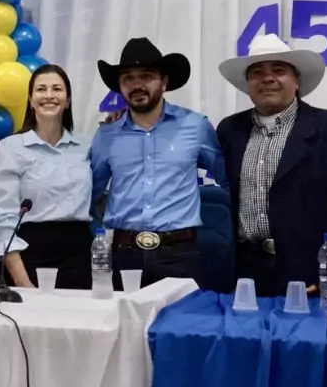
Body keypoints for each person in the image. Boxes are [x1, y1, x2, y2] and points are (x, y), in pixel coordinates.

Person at [216, 34, 327, 297]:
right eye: (257, 72)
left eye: (279, 70)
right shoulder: (229, 131)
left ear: (296, 81)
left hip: (309, 273)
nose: (268, 78)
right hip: (243, 274)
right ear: (248, 84)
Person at [91, 38, 228, 291]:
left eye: (146, 76)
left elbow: (227, 178)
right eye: (128, 78)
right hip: (124, 254)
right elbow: (91, 191)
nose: (137, 85)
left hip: (180, 254)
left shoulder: (195, 126)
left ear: (164, 82)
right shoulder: (106, 135)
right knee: (122, 329)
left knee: (180, 328)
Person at [0, 64, 93, 289]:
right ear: (31, 99)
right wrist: (22, 281)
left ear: (68, 99)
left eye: (57, 89)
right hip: (29, 256)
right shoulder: (9, 148)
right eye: (41, 89)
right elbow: (2, 219)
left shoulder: (86, 145)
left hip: (80, 255)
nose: (49, 95)